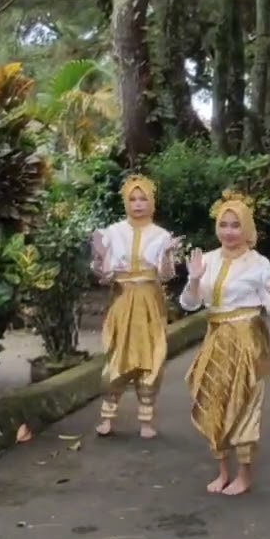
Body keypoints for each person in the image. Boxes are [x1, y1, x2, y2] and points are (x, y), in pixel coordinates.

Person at [179, 189, 270, 496]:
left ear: (247, 228)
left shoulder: (258, 263)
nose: (229, 231)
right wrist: (193, 279)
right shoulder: (208, 260)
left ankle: (244, 473)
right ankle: (223, 470)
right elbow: (190, 304)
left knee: (244, 406)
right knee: (212, 399)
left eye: (236, 225)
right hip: (215, 340)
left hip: (247, 341)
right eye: (224, 225)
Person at [90, 175, 180, 439]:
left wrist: (165, 255)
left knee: (151, 357)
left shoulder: (161, 236)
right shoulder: (112, 233)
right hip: (122, 300)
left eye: (143, 199)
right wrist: (101, 256)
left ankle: (146, 419)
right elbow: (103, 276)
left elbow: (165, 276)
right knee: (117, 355)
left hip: (150, 302)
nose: (138, 204)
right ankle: (107, 416)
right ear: (125, 202)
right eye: (132, 198)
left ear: (152, 203)